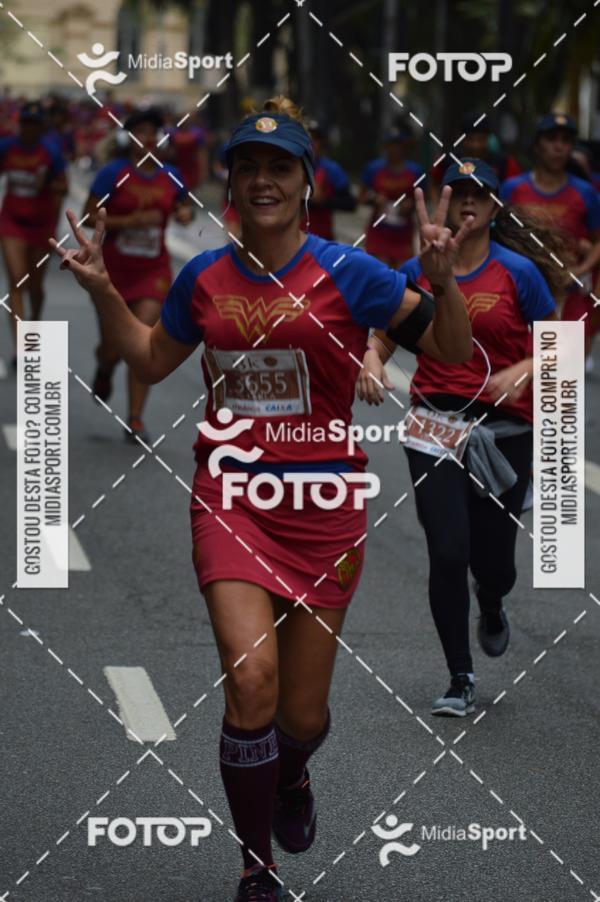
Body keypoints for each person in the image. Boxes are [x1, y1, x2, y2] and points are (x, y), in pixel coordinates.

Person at [52, 96, 473, 901]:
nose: (263, 181)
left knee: (302, 719)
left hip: (326, 507)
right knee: (251, 684)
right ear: (230, 183)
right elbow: (146, 362)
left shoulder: (355, 275)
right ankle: (257, 868)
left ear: (306, 183)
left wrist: (445, 285)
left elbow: (452, 353)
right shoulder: (204, 280)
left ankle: (290, 778)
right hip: (232, 497)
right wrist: (106, 288)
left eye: (280, 167)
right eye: (248, 167)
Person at [359, 158, 561, 717]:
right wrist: (372, 361)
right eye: (458, 194)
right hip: (434, 424)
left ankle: (491, 602)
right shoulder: (416, 269)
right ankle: (459, 676)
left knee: (494, 563)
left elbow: (557, 348)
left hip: (504, 430)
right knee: (449, 550)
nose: (468, 203)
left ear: (496, 209)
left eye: (479, 196)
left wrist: (520, 371)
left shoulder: (519, 273)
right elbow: (382, 334)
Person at [81, 107, 193, 443]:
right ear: (128, 138)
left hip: (153, 270)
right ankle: (105, 366)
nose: (147, 138)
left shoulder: (171, 175)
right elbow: (89, 217)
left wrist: (185, 214)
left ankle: (135, 419)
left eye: (152, 132)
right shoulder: (114, 173)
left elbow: (183, 208)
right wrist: (128, 222)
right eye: (140, 132)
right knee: (114, 347)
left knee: (143, 338)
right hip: (113, 271)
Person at [500, 113, 600, 357]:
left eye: (566, 140)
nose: (559, 146)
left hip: (569, 299)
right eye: (552, 138)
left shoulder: (585, 193)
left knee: (559, 384)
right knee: (516, 379)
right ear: (537, 145)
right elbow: (496, 238)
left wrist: (581, 269)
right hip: (519, 297)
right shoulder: (513, 189)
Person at [0, 100, 68, 361]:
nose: (30, 130)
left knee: (35, 287)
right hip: (12, 222)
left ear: (42, 128)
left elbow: (64, 187)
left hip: (41, 225)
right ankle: (21, 347)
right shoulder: (7, 148)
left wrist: (49, 184)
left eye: (35, 125)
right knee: (17, 280)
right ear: (20, 125)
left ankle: (35, 324)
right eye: (26, 124)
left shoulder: (51, 152)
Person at [359, 122, 425, 268]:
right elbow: (360, 197)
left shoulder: (415, 172)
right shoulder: (373, 169)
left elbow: (424, 199)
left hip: (403, 234)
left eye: (398, 144)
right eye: (391, 144)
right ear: (385, 146)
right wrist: (373, 199)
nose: (395, 149)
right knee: (377, 271)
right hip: (378, 231)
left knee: (403, 274)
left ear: (405, 146)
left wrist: (411, 204)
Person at [429, 113, 521, 201]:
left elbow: (515, 190)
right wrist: (438, 208)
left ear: (488, 138)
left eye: (480, 139)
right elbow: (433, 184)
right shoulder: (446, 161)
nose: (475, 145)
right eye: (470, 139)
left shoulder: (505, 163)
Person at [300, 120, 356, 240]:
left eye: (315, 139)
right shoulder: (291, 167)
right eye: (307, 138)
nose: (311, 143)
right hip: (292, 240)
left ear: (322, 143)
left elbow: (350, 203)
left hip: (322, 239)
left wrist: (324, 201)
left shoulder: (331, 169)